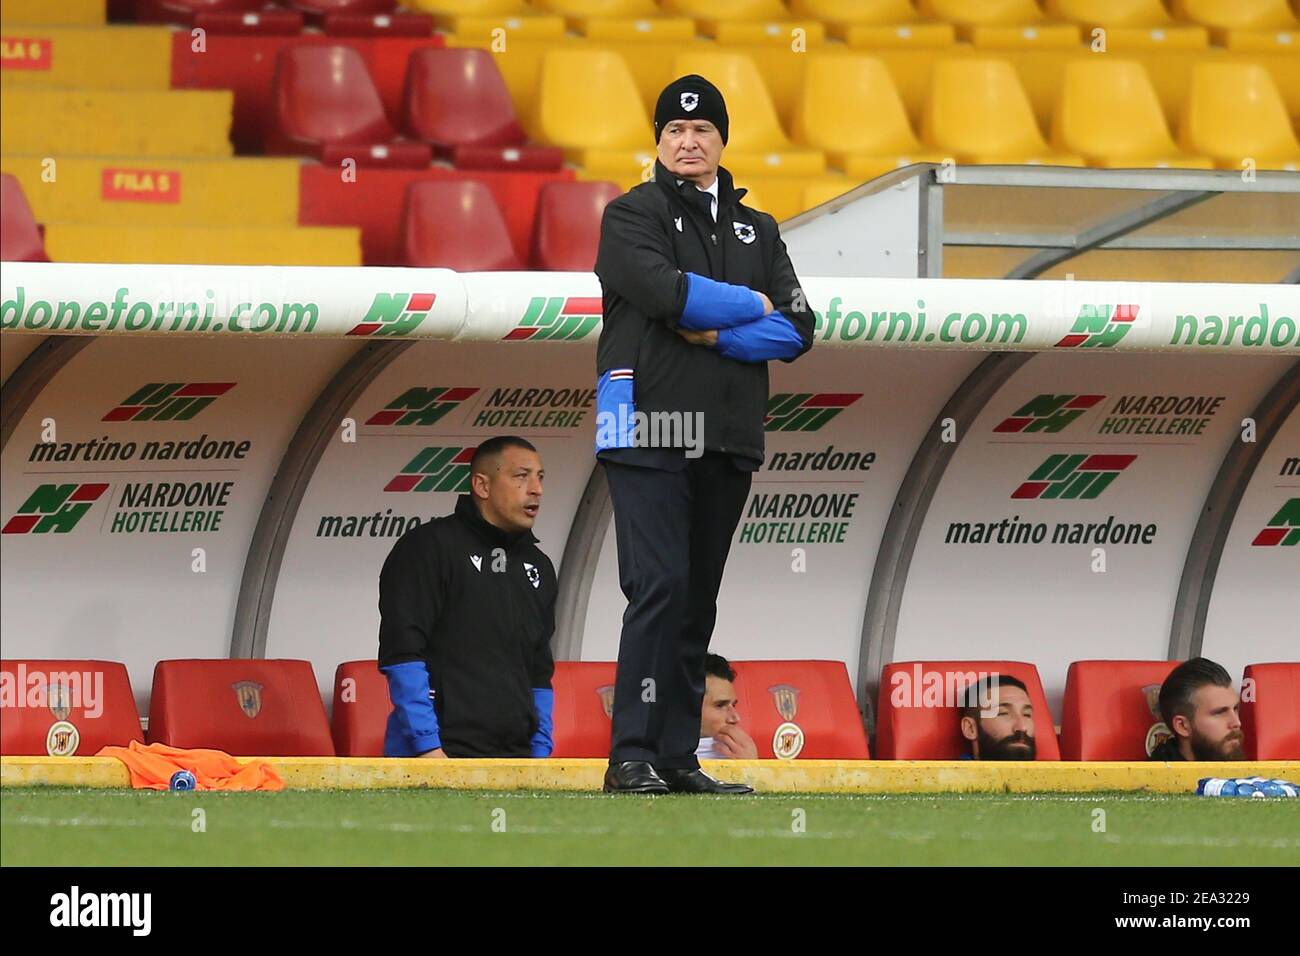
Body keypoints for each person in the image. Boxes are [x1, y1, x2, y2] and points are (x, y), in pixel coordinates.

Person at [594, 74, 814, 795]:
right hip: (647, 425)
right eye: (674, 132)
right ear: (658, 142)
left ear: (722, 140)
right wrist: (751, 302)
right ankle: (631, 753)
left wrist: (719, 333)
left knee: (696, 600)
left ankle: (677, 757)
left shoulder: (761, 227)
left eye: (702, 131)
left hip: (727, 431)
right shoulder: (631, 214)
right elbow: (664, 292)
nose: (688, 141)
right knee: (656, 587)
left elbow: (799, 328)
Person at [377, 436, 556, 759]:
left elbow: (540, 670)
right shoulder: (428, 548)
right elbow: (402, 652)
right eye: (521, 476)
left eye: (540, 477)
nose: (536, 489)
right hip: (440, 754)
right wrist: (427, 748)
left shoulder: (539, 566)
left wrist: (540, 753)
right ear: (482, 486)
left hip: (516, 759)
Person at [1149, 657, 1245, 762]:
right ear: (1182, 726)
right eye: (1219, 713)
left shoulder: (1247, 775)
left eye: (1235, 709)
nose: (1237, 723)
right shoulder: (1154, 777)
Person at [696, 654, 759, 760]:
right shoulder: (660, 761)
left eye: (733, 705)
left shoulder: (743, 757)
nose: (735, 718)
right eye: (720, 705)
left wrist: (751, 769)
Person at [959, 675, 1037, 760]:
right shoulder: (949, 773)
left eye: (1027, 714)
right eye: (1003, 713)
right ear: (970, 728)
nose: (1022, 727)